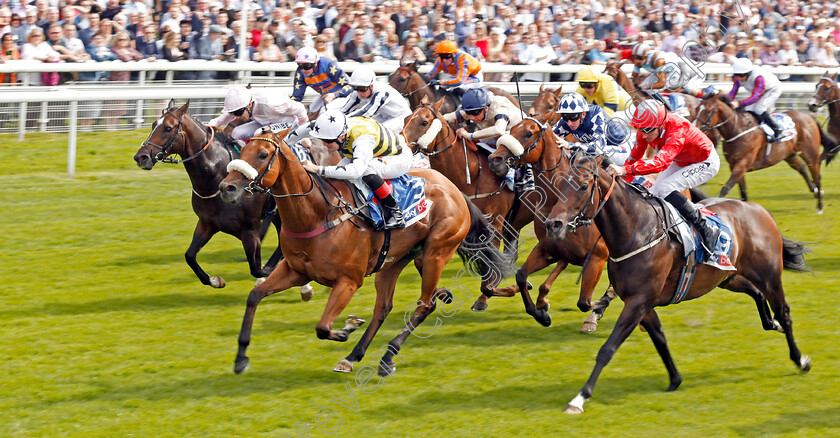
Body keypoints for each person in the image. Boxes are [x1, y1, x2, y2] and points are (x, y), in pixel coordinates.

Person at [606, 99, 721, 259]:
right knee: (655, 193)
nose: (644, 135)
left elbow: (660, 164)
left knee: (666, 188)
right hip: (681, 160)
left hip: (705, 162)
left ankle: (707, 228)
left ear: (660, 125)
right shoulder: (645, 128)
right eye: (640, 129)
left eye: (647, 130)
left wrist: (626, 169)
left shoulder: (677, 130)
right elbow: (634, 157)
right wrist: (625, 178)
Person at [286, 110, 414, 230]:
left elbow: (355, 171)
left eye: (327, 141)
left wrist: (318, 169)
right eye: (322, 140)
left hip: (398, 157)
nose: (324, 144)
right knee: (335, 174)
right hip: (373, 153)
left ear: (342, 136)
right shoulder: (329, 127)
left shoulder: (363, 139)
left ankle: (395, 213)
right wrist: (277, 144)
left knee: (365, 170)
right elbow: (297, 134)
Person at [442, 88, 532, 192]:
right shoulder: (475, 109)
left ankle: (525, 172)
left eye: (475, 113)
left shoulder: (499, 107)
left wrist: (469, 135)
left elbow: (499, 130)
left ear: (485, 108)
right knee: (475, 144)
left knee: (502, 139)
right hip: (497, 136)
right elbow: (447, 118)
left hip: (519, 136)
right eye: (469, 113)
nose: (472, 117)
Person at [552, 93, 631, 166]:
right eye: (565, 116)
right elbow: (549, 135)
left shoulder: (596, 115)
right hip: (600, 150)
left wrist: (570, 145)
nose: (569, 123)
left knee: (583, 155)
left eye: (573, 117)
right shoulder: (565, 122)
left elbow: (598, 148)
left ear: (583, 114)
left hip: (621, 148)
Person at [208, 85, 308, 141]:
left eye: (239, 113)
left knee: (259, 133)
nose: (236, 117)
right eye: (234, 113)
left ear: (250, 105)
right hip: (266, 123)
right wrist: (211, 124)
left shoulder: (272, 103)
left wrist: (302, 132)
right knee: (236, 133)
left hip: (290, 122)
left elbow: (300, 108)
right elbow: (227, 116)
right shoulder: (244, 103)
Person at [338, 66, 412, 133]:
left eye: (362, 89)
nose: (359, 92)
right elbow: (345, 110)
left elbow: (367, 112)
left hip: (402, 117)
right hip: (384, 115)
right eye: (355, 88)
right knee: (364, 128)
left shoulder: (382, 91)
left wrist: (344, 120)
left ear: (371, 86)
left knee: (373, 132)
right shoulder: (358, 92)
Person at [629, 43, 704, 106]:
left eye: (639, 58)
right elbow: (634, 76)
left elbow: (661, 84)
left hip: (675, 72)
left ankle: (669, 107)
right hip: (665, 70)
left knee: (651, 90)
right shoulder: (640, 59)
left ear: (647, 56)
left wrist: (647, 87)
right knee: (643, 88)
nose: (637, 60)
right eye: (634, 57)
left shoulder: (659, 61)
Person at [727, 57, 783, 142]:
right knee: (748, 109)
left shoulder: (758, 77)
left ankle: (777, 130)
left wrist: (738, 103)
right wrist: (728, 101)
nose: (739, 78)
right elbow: (733, 92)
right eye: (736, 75)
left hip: (772, 89)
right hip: (760, 91)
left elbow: (755, 97)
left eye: (742, 75)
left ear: (749, 72)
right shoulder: (737, 77)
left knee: (759, 108)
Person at [290, 46, 353, 114]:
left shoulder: (329, 65)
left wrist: (335, 94)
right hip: (326, 97)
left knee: (324, 112)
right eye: (300, 65)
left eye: (307, 66)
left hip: (344, 96)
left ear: (316, 63)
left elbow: (350, 86)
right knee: (310, 113)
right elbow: (297, 96)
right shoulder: (300, 72)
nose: (303, 70)